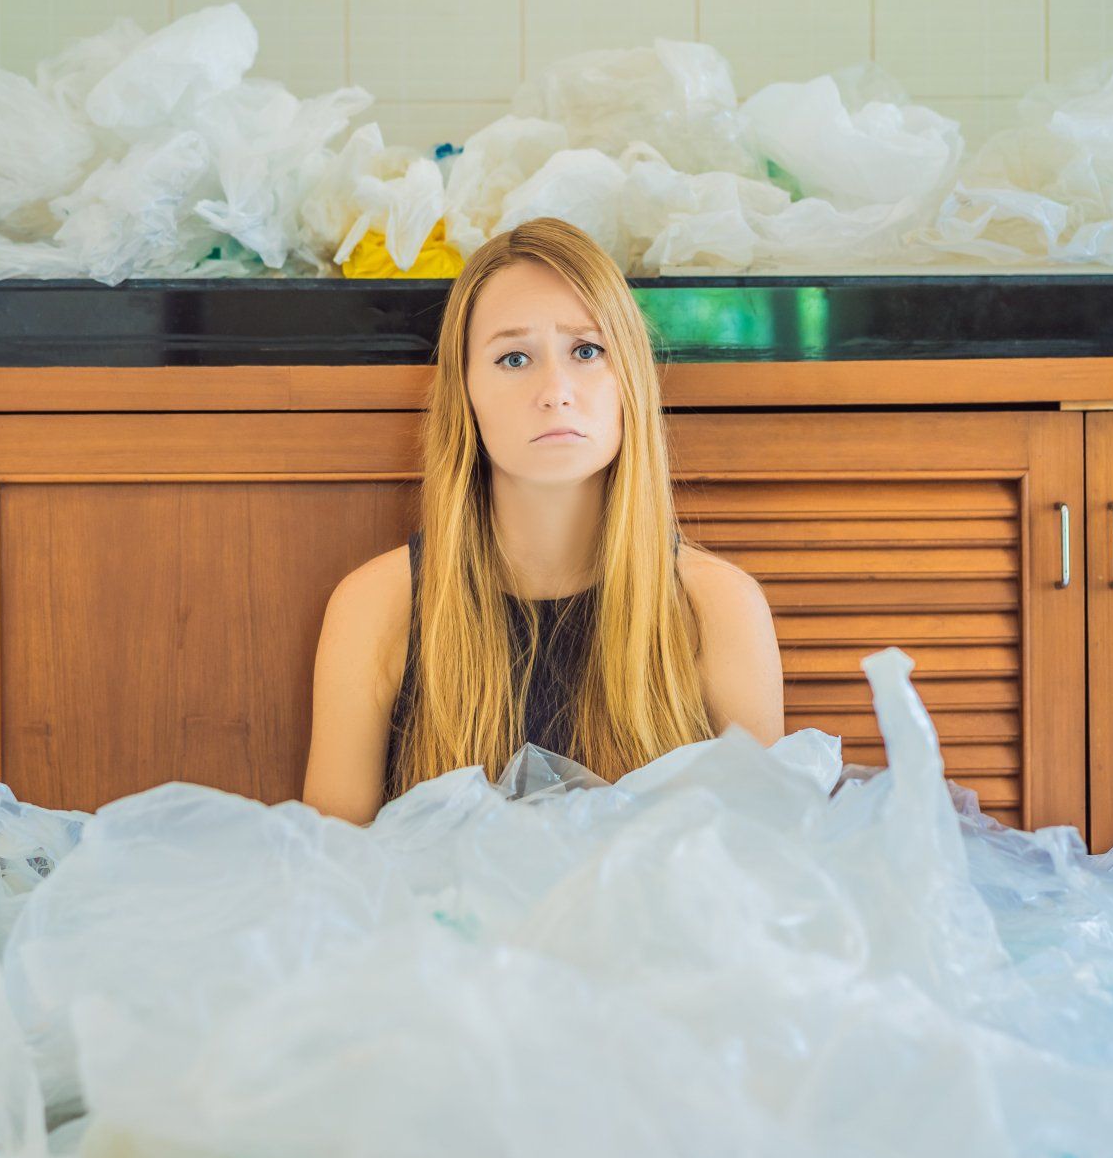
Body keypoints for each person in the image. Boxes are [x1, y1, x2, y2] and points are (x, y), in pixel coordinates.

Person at [302, 216, 785, 826]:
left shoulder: (719, 605)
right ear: (466, 395)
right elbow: (331, 873)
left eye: (587, 350)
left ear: (629, 379)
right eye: (513, 357)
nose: (556, 389)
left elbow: (764, 866)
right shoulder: (376, 604)